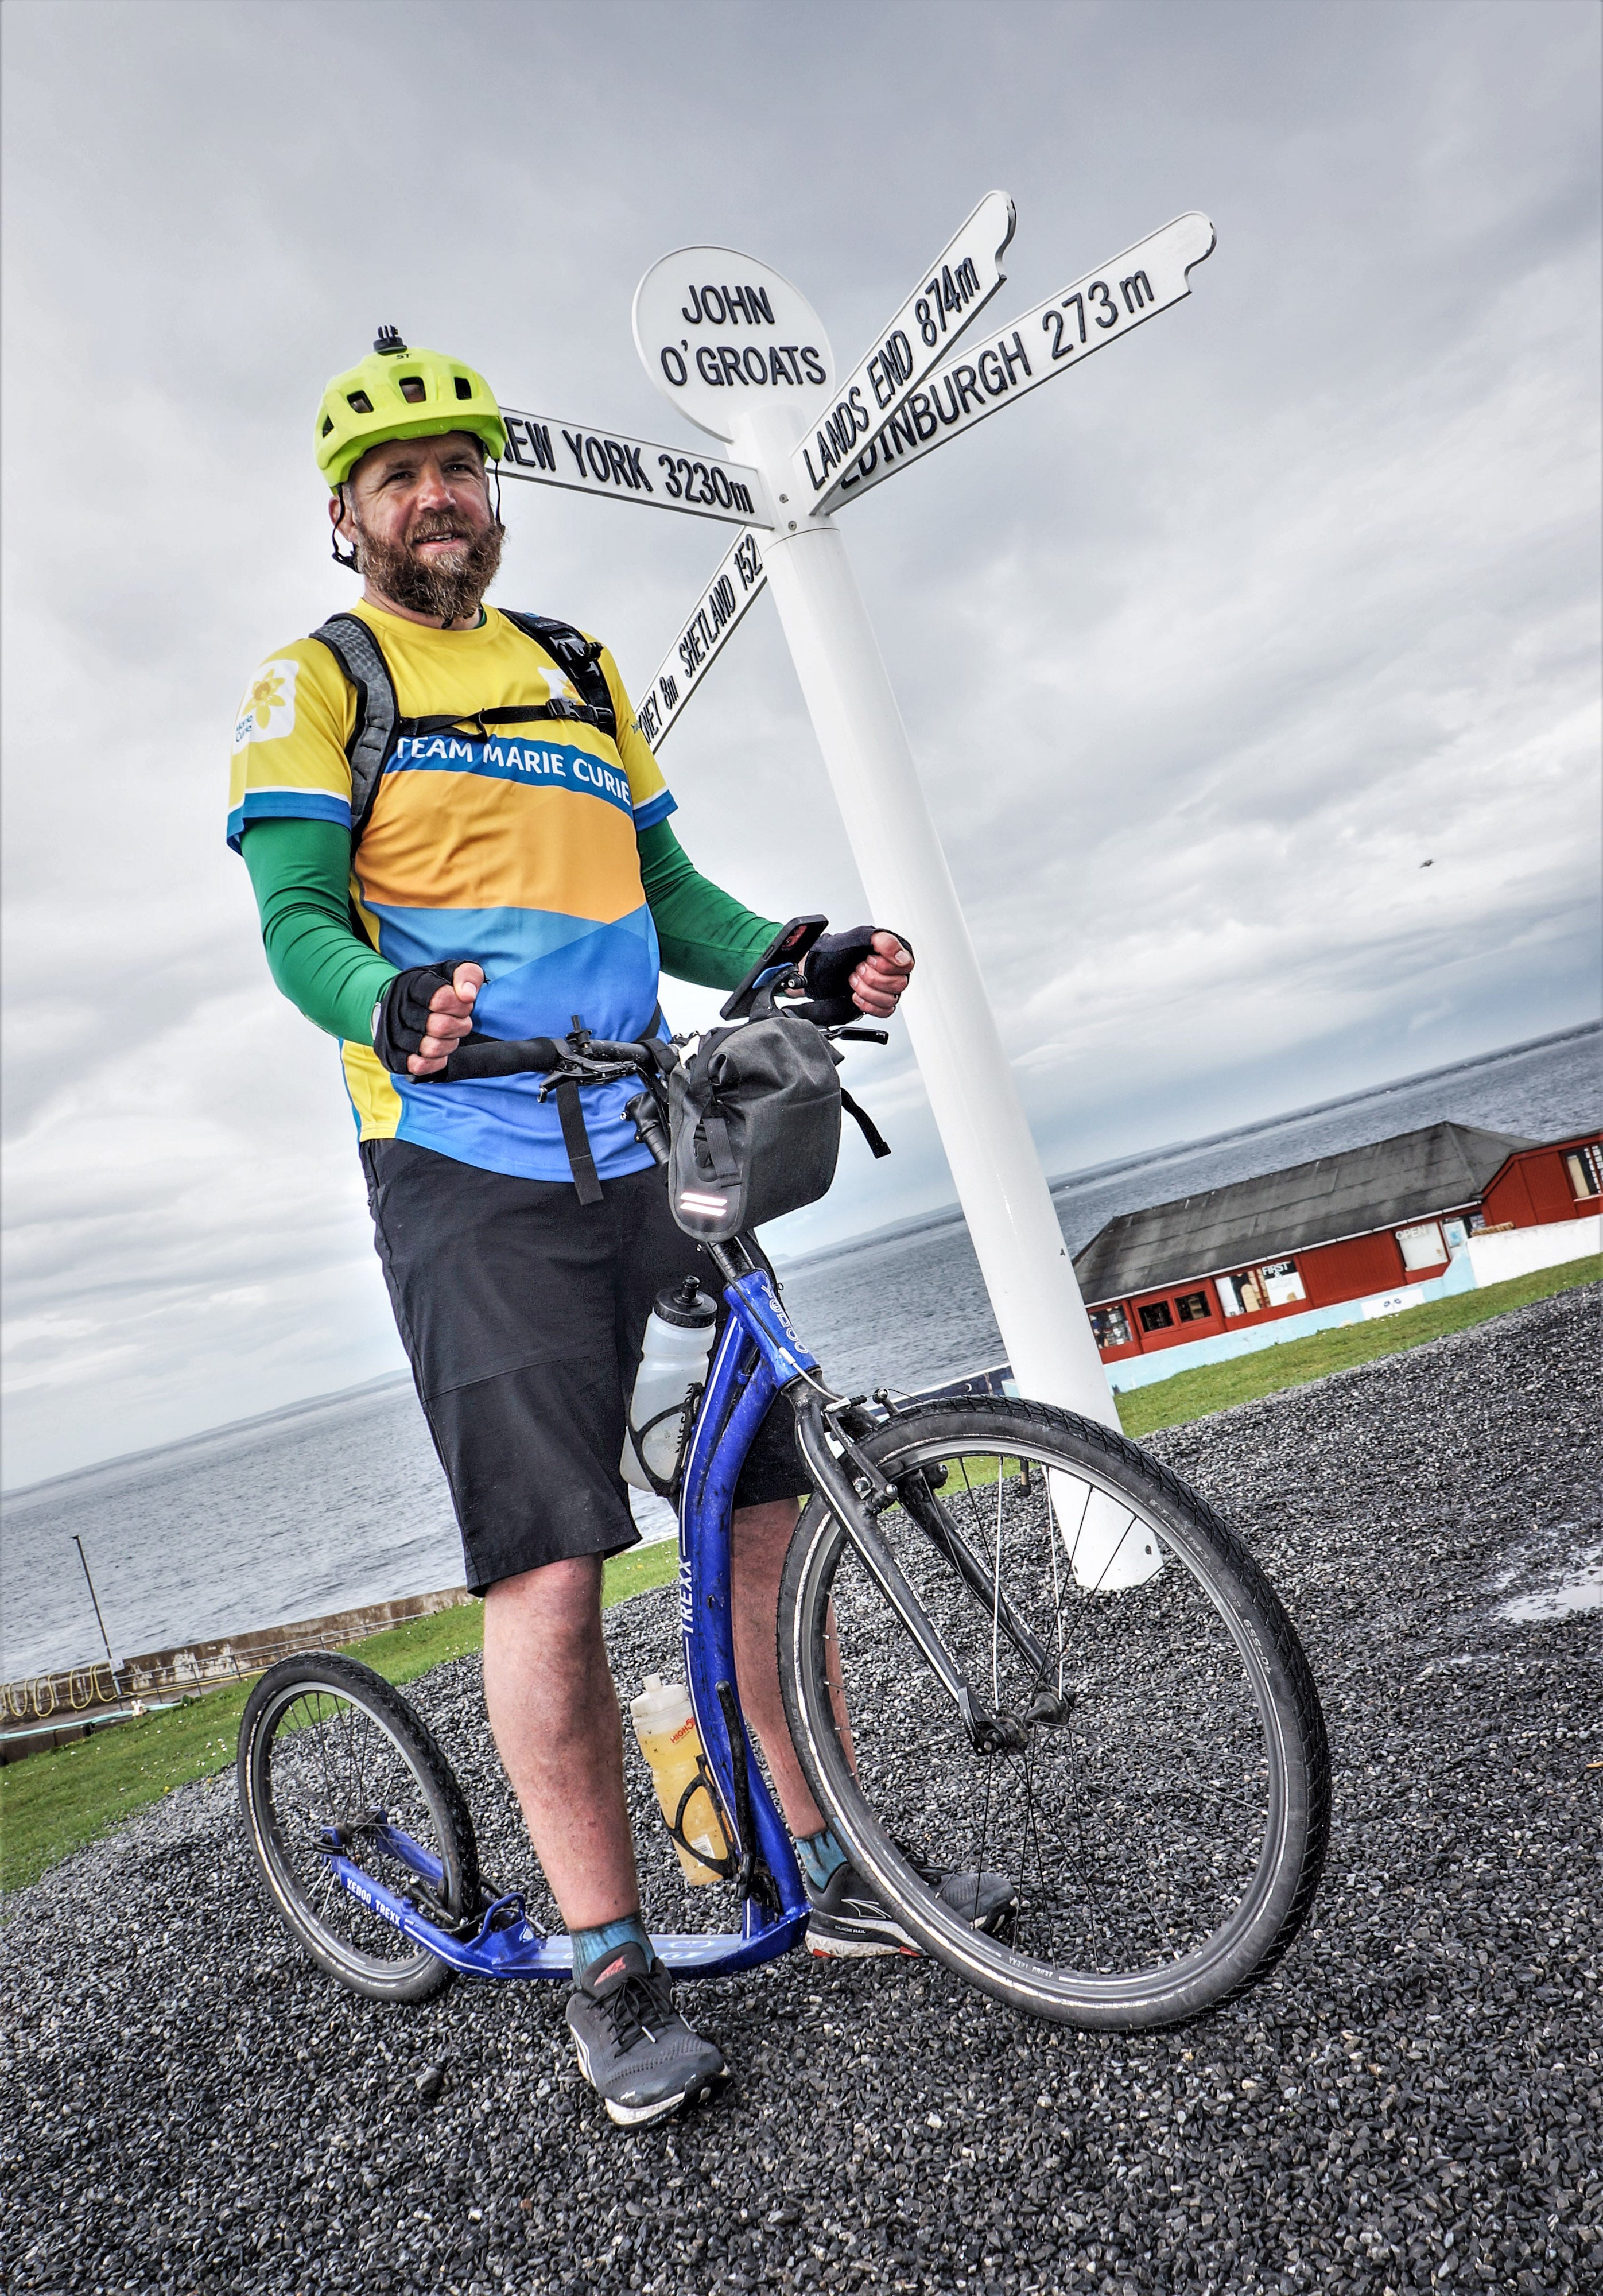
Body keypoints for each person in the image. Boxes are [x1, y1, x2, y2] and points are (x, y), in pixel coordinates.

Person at [230, 328, 997, 2127]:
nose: (440, 495)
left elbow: (661, 892)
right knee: (551, 1564)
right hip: (463, 1165)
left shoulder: (574, 667)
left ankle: (824, 1871)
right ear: (345, 515)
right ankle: (607, 1955)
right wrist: (385, 1003)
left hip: (646, 1134)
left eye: (462, 468)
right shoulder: (319, 679)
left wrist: (792, 952)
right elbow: (294, 919)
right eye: (402, 475)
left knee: (755, 1509)